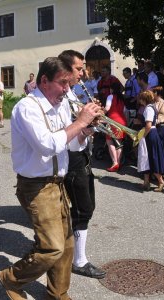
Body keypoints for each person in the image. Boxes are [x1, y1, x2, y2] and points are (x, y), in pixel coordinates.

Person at [0, 57, 101, 300]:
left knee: (66, 246)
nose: (67, 89)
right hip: (35, 187)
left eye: (68, 83)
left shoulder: (62, 105)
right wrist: (80, 121)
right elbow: (47, 145)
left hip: (58, 183)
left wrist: (86, 131)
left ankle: (57, 294)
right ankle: (10, 278)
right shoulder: (27, 107)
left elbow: (72, 145)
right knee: (52, 247)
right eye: (63, 83)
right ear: (44, 80)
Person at [58, 50, 106, 280]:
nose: (83, 72)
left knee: (88, 207)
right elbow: (64, 134)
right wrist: (83, 122)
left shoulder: (72, 94)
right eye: (79, 68)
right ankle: (79, 260)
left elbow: (78, 131)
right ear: (66, 70)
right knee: (81, 209)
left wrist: (91, 123)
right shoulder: (61, 97)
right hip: (72, 159)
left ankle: (74, 252)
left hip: (82, 155)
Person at [137, 90, 164, 192]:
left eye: (140, 98)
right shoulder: (151, 107)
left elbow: (148, 125)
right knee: (147, 158)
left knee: (152, 157)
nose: (139, 100)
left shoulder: (148, 109)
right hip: (151, 134)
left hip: (150, 135)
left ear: (143, 99)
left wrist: (142, 136)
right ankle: (146, 182)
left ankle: (161, 181)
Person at [104, 82, 127, 172]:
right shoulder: (121, 98)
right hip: (122, 121)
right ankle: (119, 162)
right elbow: (125, 111)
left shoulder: (110, 96)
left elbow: (107, 108)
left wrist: (101, 112)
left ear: (112, 89)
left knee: (109, 141)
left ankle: (115, 163)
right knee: (118, 143)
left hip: (112, 121)